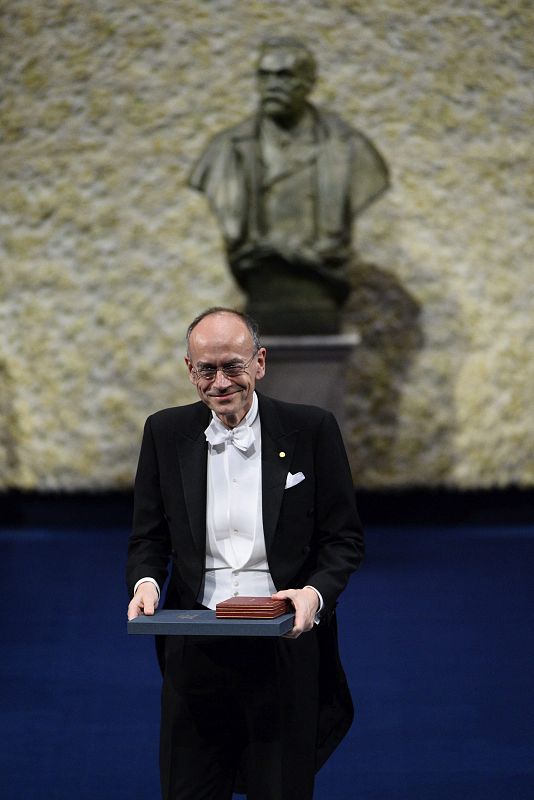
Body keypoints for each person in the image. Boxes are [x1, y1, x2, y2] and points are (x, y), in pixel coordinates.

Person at [126, 307, 364, 799]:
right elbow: (148, 537)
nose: (220, 382)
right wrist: (146, 583)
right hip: (195, 647)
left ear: (259, 362)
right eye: (206, 369)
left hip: (283, 645)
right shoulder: (164, 433)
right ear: (189, 370)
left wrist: (314, 596)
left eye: (233, 366)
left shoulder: (311, 430)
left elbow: (343, 539)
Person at [189, 37, 389, 334]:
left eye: (284, 76)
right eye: (264, 75)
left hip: (320, 292)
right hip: (262, 286)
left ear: (309, 83)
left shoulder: (350, 149)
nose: (272, 85)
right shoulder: (227, 150)